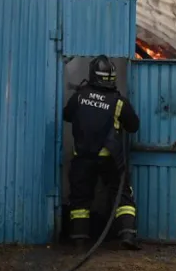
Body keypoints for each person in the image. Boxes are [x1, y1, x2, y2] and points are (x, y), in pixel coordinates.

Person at [64, 55, 142, 251]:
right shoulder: (118, 102)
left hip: (83, 157)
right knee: (122, 194)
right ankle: (128, 235)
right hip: (110, 159)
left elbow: (67, 115)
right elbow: (134, 126)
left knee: (80, 198)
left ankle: (79, 239)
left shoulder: (80, 96)